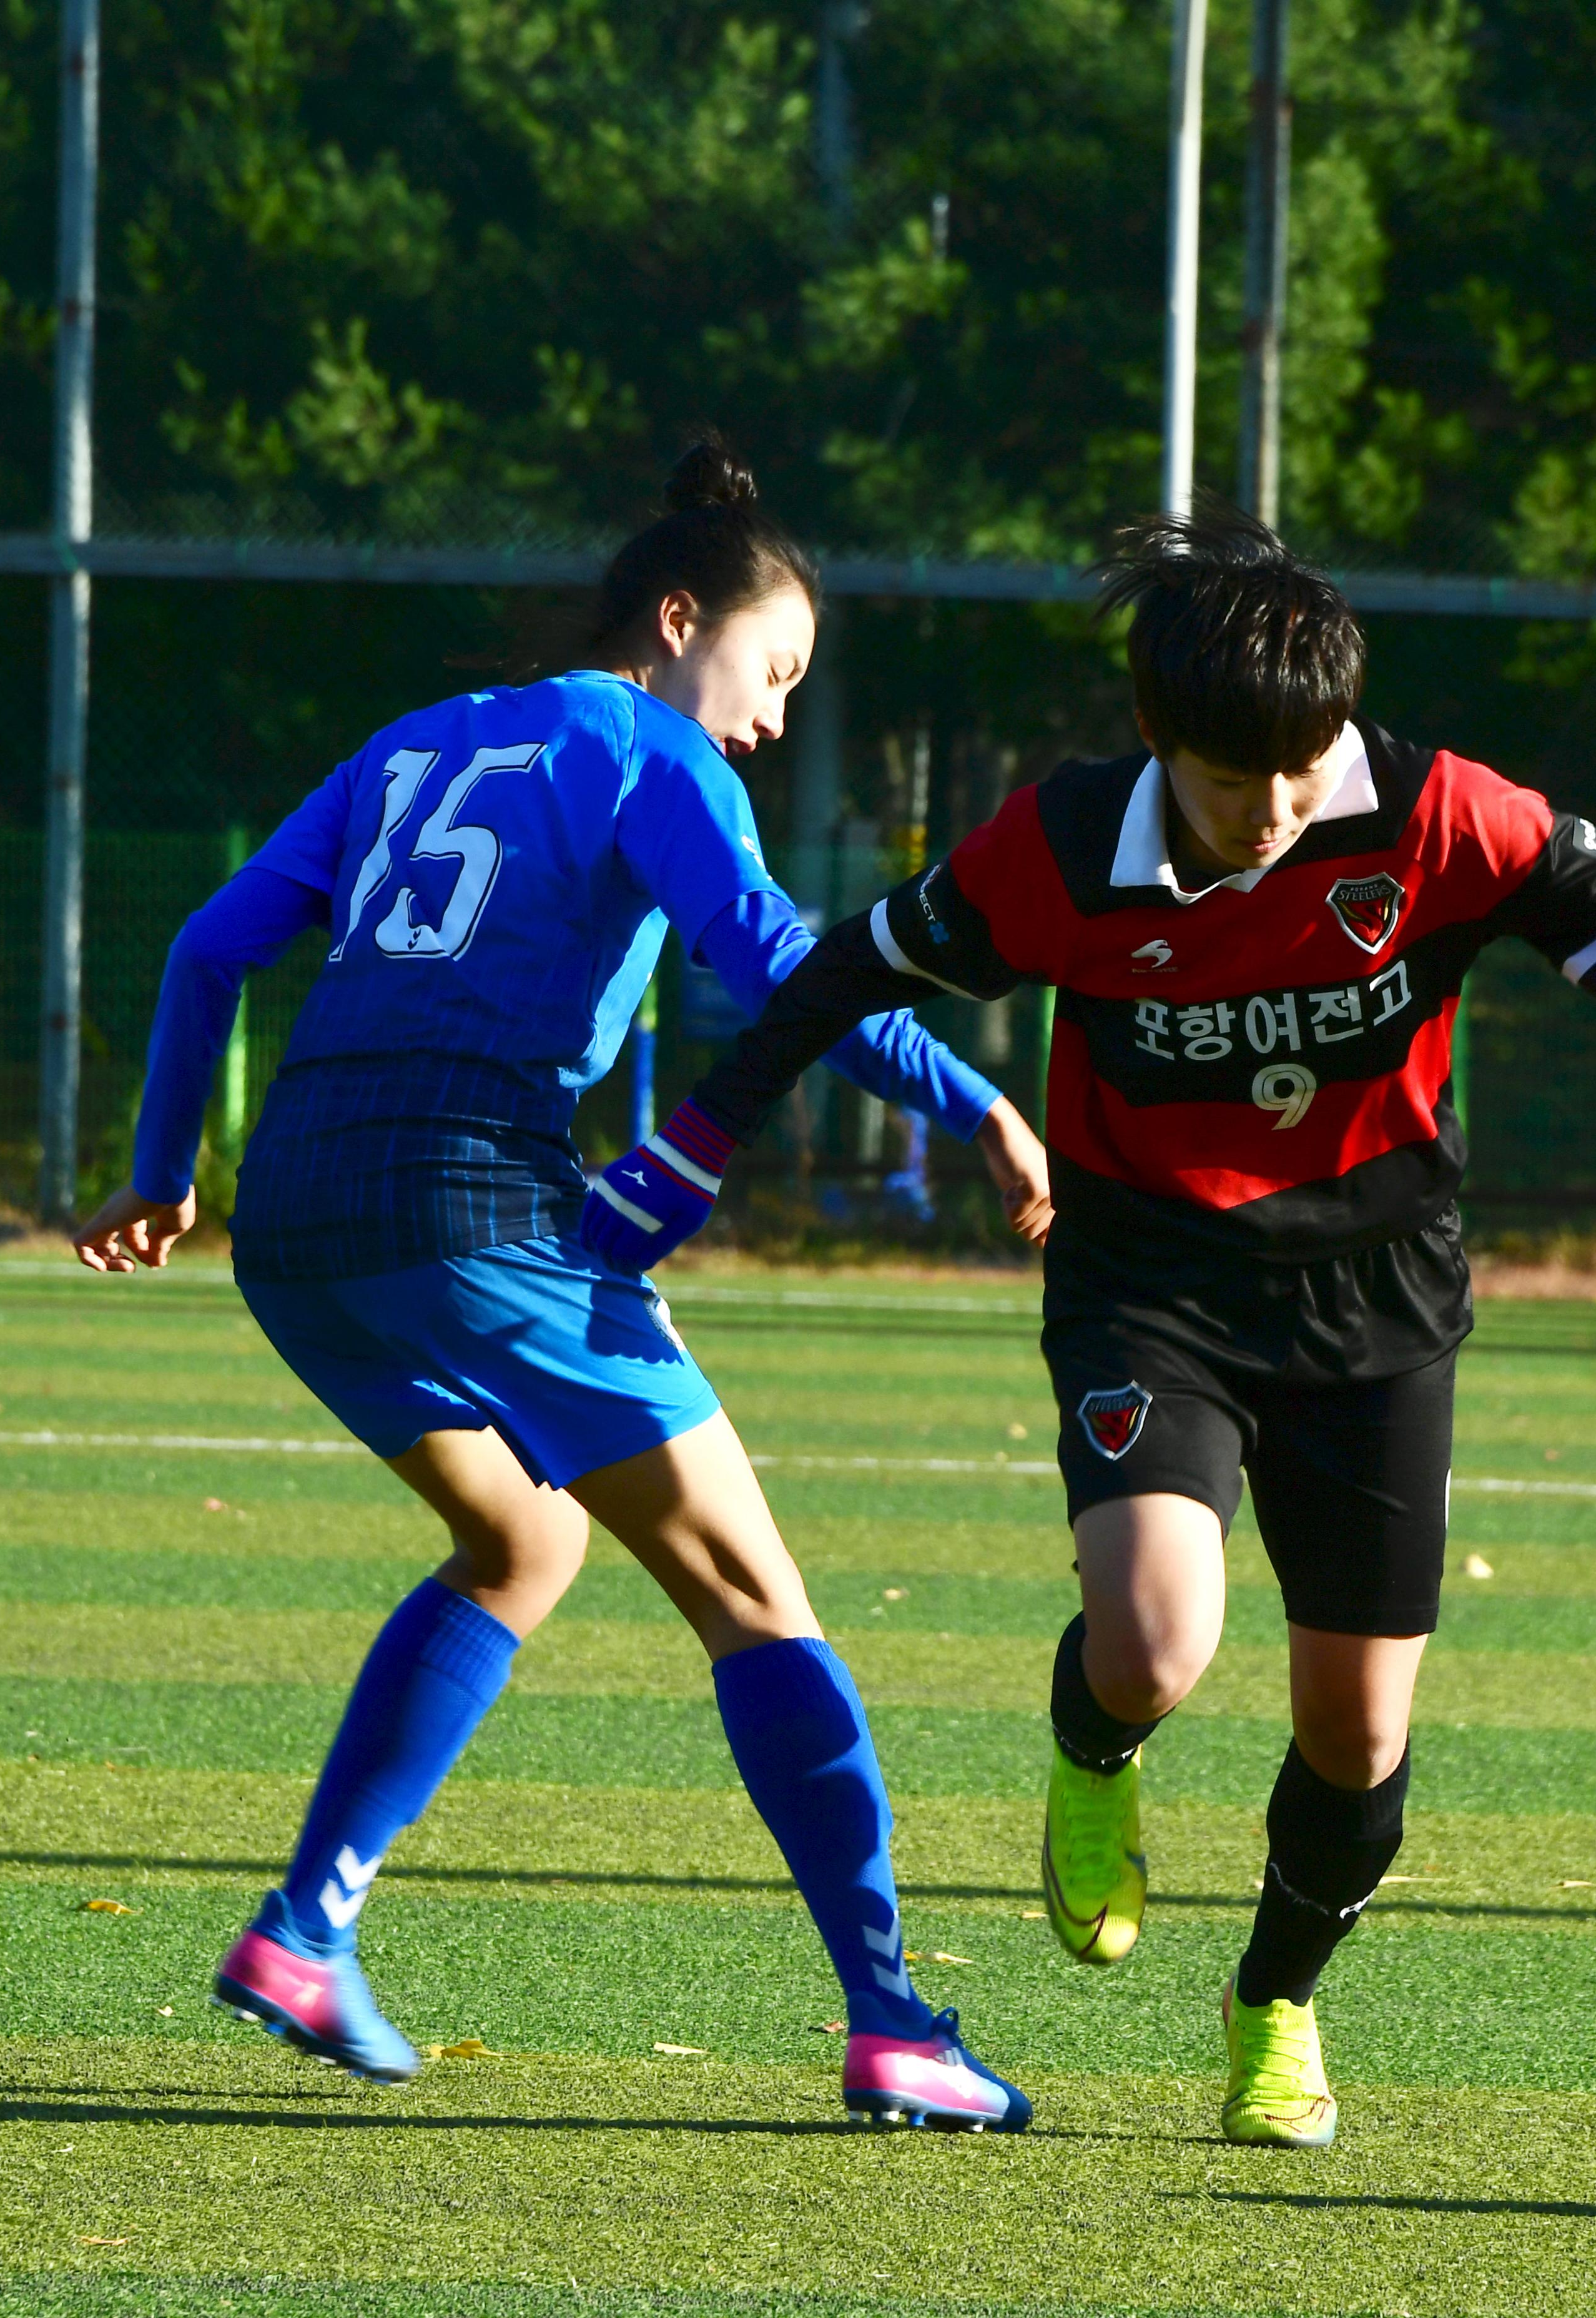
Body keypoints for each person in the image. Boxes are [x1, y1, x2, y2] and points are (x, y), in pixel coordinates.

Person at [581, 505, 1596, 2148]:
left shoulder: (1433, 814)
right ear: (1153, 736)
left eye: (1300, 769)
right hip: (1152, 1280)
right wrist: (698, 1137)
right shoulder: (1059, 850)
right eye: (1229, 779)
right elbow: (847, 972)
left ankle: (1274, 2004)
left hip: (1380, 1293)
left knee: (1360, 1732)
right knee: (1155, 1644)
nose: (1272, 813)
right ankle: (1093, 1749)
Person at [72, 438, 1054, 2133]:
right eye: (771, 674)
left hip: (296, 1215)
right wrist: (974, 1097)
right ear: (679, 621)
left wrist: (167, 1173)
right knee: (754, 1595)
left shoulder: (413, 740)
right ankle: (894, 2021)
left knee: (522, 1541)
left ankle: (310, 1931)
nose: (766, 720)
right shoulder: (647, 747)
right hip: (474, 1195)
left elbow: (210, 948)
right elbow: (776, 967)